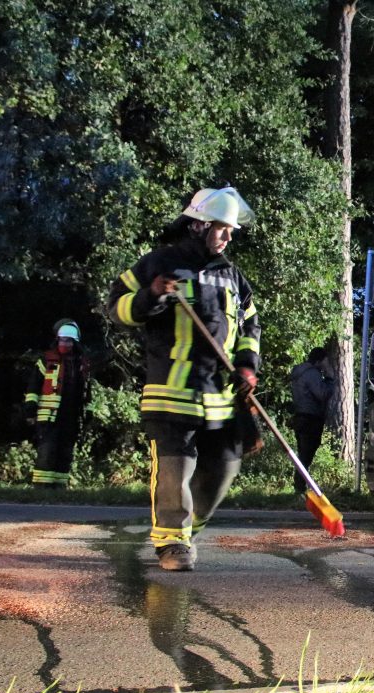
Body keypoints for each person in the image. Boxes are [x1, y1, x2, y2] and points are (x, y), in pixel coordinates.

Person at [107, 187, 260, 571]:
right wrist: (152, 294)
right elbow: (117, 308)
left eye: (231, 231)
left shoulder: (233, 277)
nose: (228, 237)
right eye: (222, 229)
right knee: (176, 470)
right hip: (171, 391)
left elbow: (250, 326)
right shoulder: (161, 263)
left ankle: (188, 530)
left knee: (225, 467)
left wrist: (246, 367)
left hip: (219, 396)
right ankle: (172, 544)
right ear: (197, 225)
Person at [23, 320, 91, 488]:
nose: (65, 344)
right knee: (47, 450)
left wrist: (88, 413)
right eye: (62, 340)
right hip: (49, 414)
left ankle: (59, 487)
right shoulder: (46, 360)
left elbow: (86, 392)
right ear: (57, 340)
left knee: (65, 451)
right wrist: (30, 409)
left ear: (74, 342)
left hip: (71, 415)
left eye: (68, 340)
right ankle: (41, 487)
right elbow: (33, 387)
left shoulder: (82, 364)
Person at [289, 347, 335, 495]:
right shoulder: (312, 374)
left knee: (304, 452)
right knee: (306, 454)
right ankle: (299, 487)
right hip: (311, 418)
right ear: (319, 360)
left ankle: (300, 485)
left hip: (301, 416)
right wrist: (330, 378)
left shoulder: (300, 372)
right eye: (325, 360)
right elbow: (322, 394)